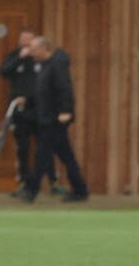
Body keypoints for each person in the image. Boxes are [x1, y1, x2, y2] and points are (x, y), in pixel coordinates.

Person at [13, 37, 89, 203]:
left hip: (54, 119)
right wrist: (28, 99)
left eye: (33, 50)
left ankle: (31, 191)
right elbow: (42, 90)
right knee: (66, 156)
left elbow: (65, 89)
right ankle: (80, 190)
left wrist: (66, 111)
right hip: (47, 117)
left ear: (43, 49)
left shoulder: (57, 65)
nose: (30, 53)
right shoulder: (44, 65)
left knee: (42, 155)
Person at [0, 28, 65, 196]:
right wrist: (19, 58)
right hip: (20, 112)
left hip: (40, 110)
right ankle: (24, 183)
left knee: (45, 146)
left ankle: (53, 182)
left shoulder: (41, 60)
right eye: (24, 39)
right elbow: (4, 72)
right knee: (23, 148)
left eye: (30, 39)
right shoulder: (15, 56)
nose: (26, 42)